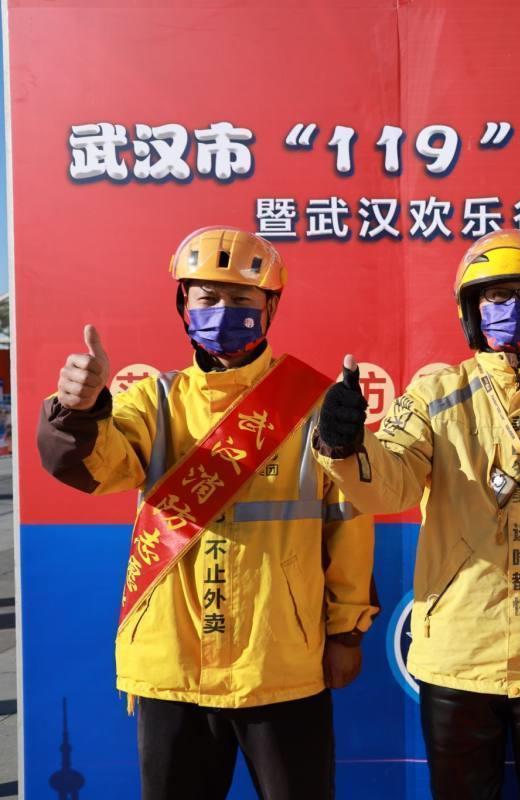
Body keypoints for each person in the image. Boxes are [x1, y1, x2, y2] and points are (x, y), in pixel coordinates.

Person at [37, 226, 377, 800]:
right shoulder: (154, 400)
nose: (224, 311)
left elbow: (348, 523)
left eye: (241, 298)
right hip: (171, 663)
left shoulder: (315, 405)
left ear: (270, 307)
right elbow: (102, 467)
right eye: (208, 297)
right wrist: (80, 412)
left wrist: (346, 631)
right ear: (183, 305)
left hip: (280, 661)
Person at [313, 229, 520, 800]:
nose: (513, 307)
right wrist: (344, 446)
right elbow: (389, 483)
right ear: (470, 311)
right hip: (459, 654)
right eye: (495, 296)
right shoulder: (435, 395)